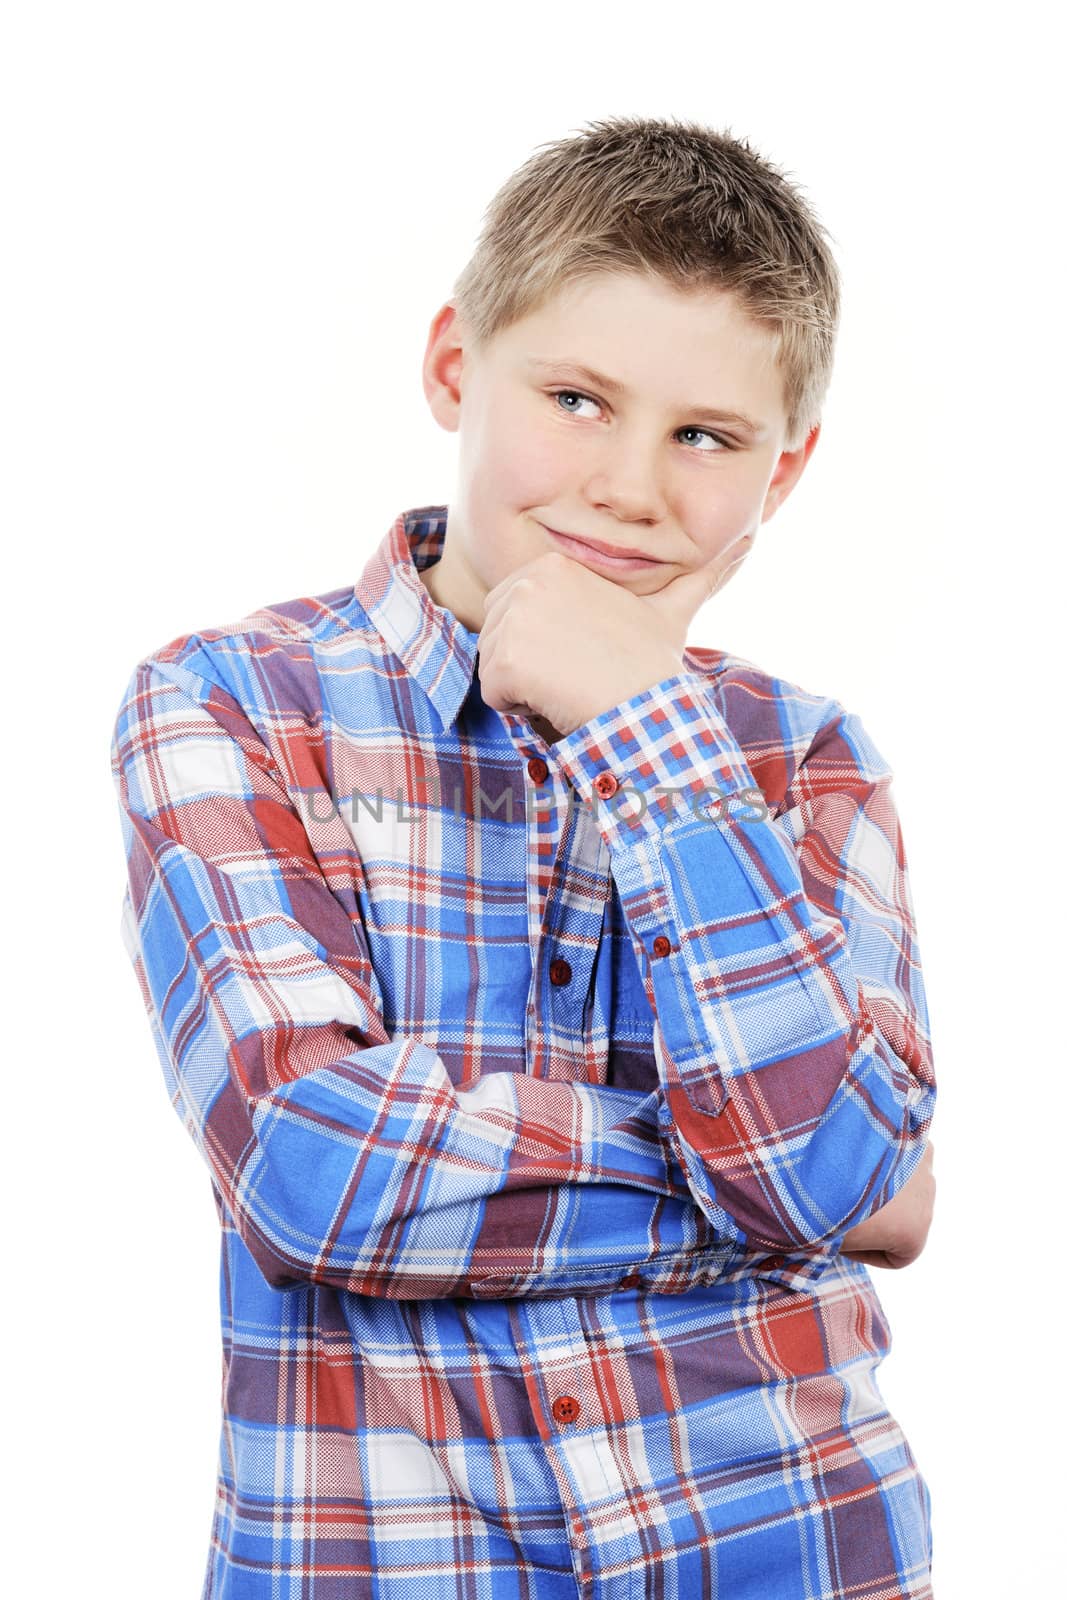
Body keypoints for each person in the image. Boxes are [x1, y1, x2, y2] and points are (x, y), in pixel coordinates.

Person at [110, 114, 937, 1599]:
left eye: (706, 435)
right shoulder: (229, 703)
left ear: (786, 469)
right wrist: (770, 1184)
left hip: (790, 1548)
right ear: (453, 368)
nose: (629, 485)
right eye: (575, 398)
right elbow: (311, 1168)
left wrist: (647, 733)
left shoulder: (807, 760)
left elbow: (836, 1158)